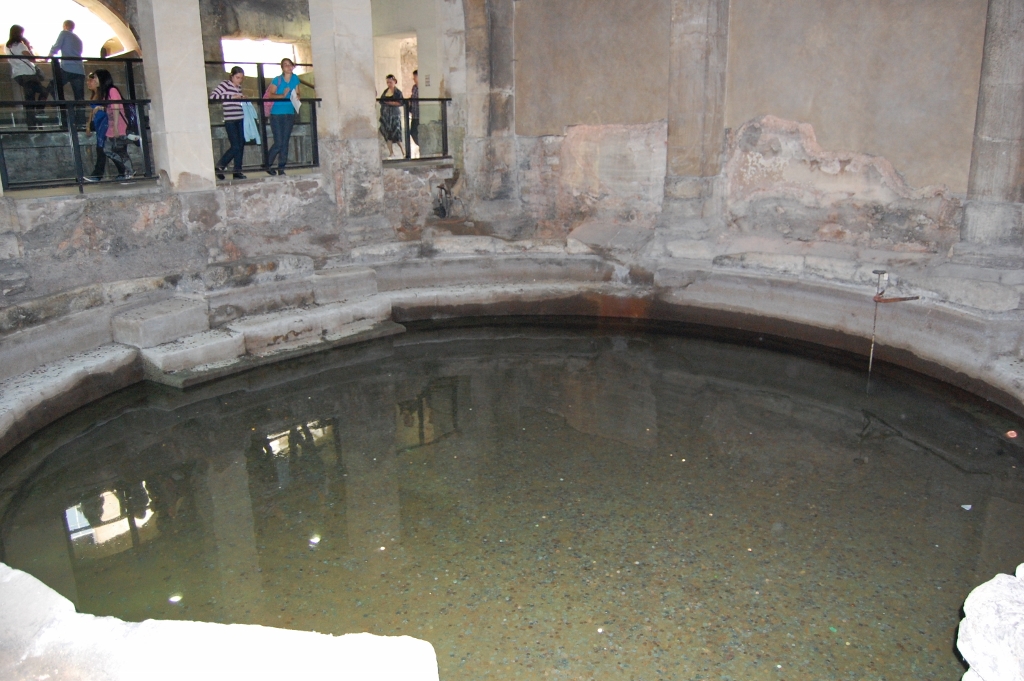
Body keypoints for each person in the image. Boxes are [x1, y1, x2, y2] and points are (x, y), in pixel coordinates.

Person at [6, 25, 48, 130]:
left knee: (29, 99)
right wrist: (28, 46)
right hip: (28, 74)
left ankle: (31, 125)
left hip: (18, 74)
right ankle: (39, 112)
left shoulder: (7, 47)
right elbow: (32, 58)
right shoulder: (20, 45)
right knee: (43, 91)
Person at [210, 66, 247, 180]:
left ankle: (237, 171)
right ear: (232, 76)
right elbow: (213, 96)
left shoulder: (238, 87)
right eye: (237, 77)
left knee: (241, 145)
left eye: (241, 78)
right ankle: (220, 166)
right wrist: (231, 96)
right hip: (230, 119)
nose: (239, 80)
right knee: (235, 146)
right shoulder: (225, 84)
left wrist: (241, 98)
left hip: (240, 118)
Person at [264, 57, 300, 176]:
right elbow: (271, 95)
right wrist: (282, 95)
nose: (288, 67)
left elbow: (298, 92)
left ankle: (281, 167)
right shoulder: (277, 79)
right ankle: (267, 163)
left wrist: (297, 96)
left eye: (290, 64)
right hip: (277, 114)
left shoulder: (295, 79)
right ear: (282, 68)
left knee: (285, 141)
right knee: (279, 142)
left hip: (289, 113)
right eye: (285, 65)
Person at [95, 69, 133, 180]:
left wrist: (116, 126)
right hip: (112, 126)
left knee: (120, 150)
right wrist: (101, 107)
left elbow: (116, 108)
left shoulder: (112, 90)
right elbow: (110, 108)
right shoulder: (105, 93)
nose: (95, 80)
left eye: (96, 77)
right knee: (107, 149)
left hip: (118, 125)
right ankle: (127, 171)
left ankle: (129, 172)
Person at [48, 20, 85, 102]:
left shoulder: (64, 33)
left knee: (53, 87)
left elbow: (57, 46)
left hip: (67, 67)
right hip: (79, 69)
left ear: (65, 26)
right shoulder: (78, 39)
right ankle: (79, 111)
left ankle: (64, 106)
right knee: (79, 98)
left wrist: (48, 56)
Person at [83, 71, 108, 182]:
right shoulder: (94, 95)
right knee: (101, 147)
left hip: (104, 121)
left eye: (91, 80)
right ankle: (97, 174)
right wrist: (88, 124)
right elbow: (92, 111)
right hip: (98, 122)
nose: (88, 83)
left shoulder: (103, 94)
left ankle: (97, 174)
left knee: (101, 147)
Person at [378, 74, 403, 158]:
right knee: (387, 134)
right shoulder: (385, 91)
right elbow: (381, 101)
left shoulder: (397, 92)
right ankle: (391, 152)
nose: (389, 84)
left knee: (397, 133)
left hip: (394, 115)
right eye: (387, 82)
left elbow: (400, 102)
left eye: (390, 82)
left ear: (394, 82)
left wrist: (390, 103)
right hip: (386, 115)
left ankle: (403, 151)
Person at [409, 69, 420, 151]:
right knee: (412, 132)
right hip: (414, 114)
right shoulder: (414, 87)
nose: (413, 79)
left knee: (417, 132)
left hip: (420, 115)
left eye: (415, 77)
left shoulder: (423, 88)